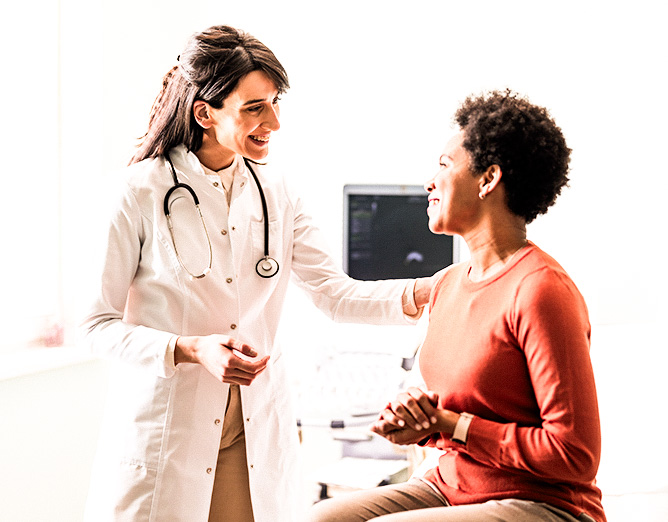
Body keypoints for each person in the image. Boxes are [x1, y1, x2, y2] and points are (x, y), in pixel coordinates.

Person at [80, 25, 437, 522]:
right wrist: (188, 349)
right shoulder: (137, 193)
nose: (273, 121)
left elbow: (335, 294)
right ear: (204, 113)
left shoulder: (276, 192)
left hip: (252, 429)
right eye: (254, 107)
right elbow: (94, 326)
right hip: (169, 428)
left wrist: (436, 291)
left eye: (274, 102)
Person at [307, 90, 606, 522]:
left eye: (445, 165)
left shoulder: (542, 291)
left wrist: (450, 425)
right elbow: (458, 408)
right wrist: (420, 420)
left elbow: (574, 454)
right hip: (453, 487)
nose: (430, 181)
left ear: (488, 179)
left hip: (542, 501)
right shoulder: (447, 285)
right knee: (322, 518)